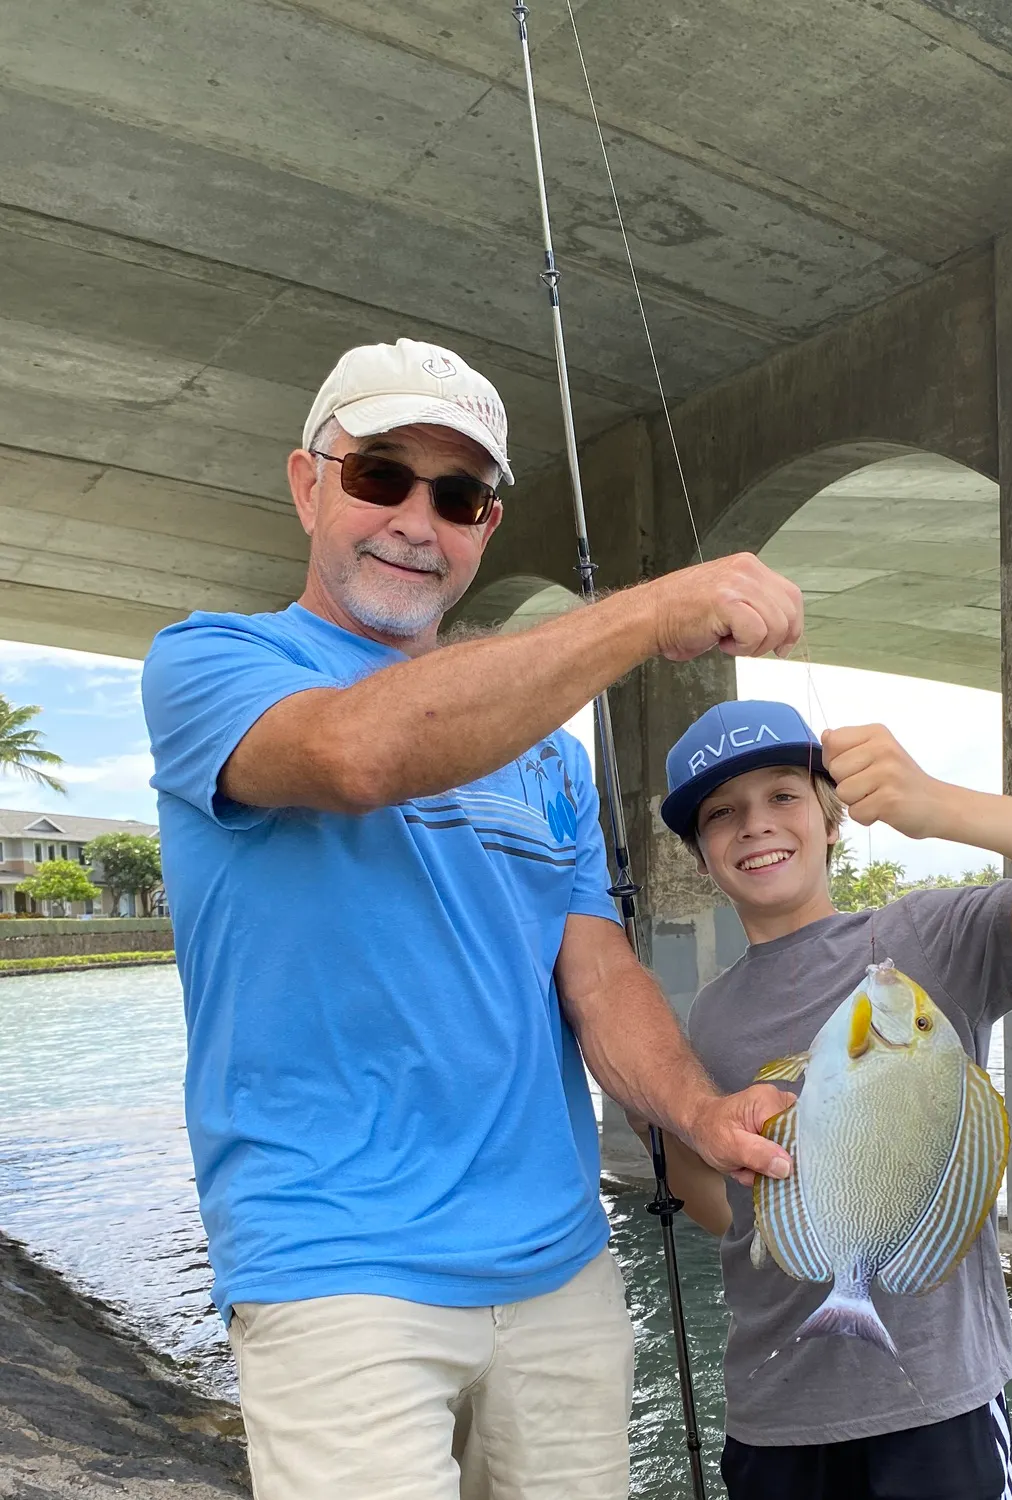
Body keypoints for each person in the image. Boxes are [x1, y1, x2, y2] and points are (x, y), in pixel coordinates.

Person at [140, 339, 805, 1500]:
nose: (415, 518)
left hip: (558, 1273)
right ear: (308, 482)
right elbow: (359, 754)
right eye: (379, 475)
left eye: (458, 497)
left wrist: (703, 1112)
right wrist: (650, 614)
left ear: (485, 529)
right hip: (336, 1270)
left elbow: (594, 975)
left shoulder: (544, 757)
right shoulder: (213, 663)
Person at [648, 700, 1012, 1499]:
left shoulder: (928, 937)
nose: (756, 825)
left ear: (831, 821)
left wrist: (938, 806)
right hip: (775, 1409)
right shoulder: (708, 1016)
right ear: (700, 855)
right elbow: (713, 1200)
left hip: (937, 1397)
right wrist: (740, 1166)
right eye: (723, 813)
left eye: (784, 796)